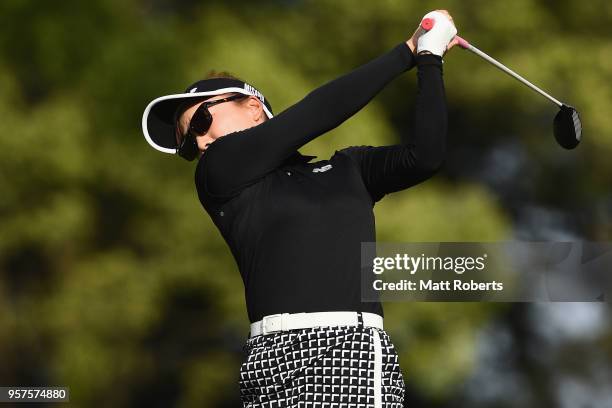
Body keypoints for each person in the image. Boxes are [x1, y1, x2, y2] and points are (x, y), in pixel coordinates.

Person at [142, 9, 458, 407]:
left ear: (253, 107)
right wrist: (406, 52)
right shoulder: (218, 173)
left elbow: (426, 156)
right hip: (268, 361)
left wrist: (429, 59)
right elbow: (315, 114)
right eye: (188, 144)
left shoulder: (350, 168)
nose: (200, 143)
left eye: (202, 120)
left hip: (346, 353)